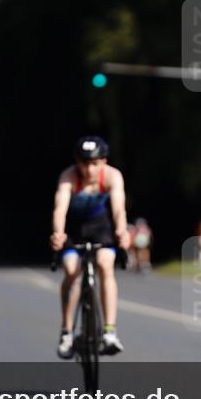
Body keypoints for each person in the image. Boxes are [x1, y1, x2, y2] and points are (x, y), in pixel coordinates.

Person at [50, 136, 130, 358]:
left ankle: (110, 332)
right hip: (73, 230)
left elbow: (118, 210)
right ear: (77, 162)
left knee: (105, 264)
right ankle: (67, 331)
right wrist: (58, 233)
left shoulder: (113, 176)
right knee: (71, 269)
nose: (88, 170)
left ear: (103, 161)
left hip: (100, 227)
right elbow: (59, 209)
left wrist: (122, 231)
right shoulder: (68, 177)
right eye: (84, 164)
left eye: (94, 164)